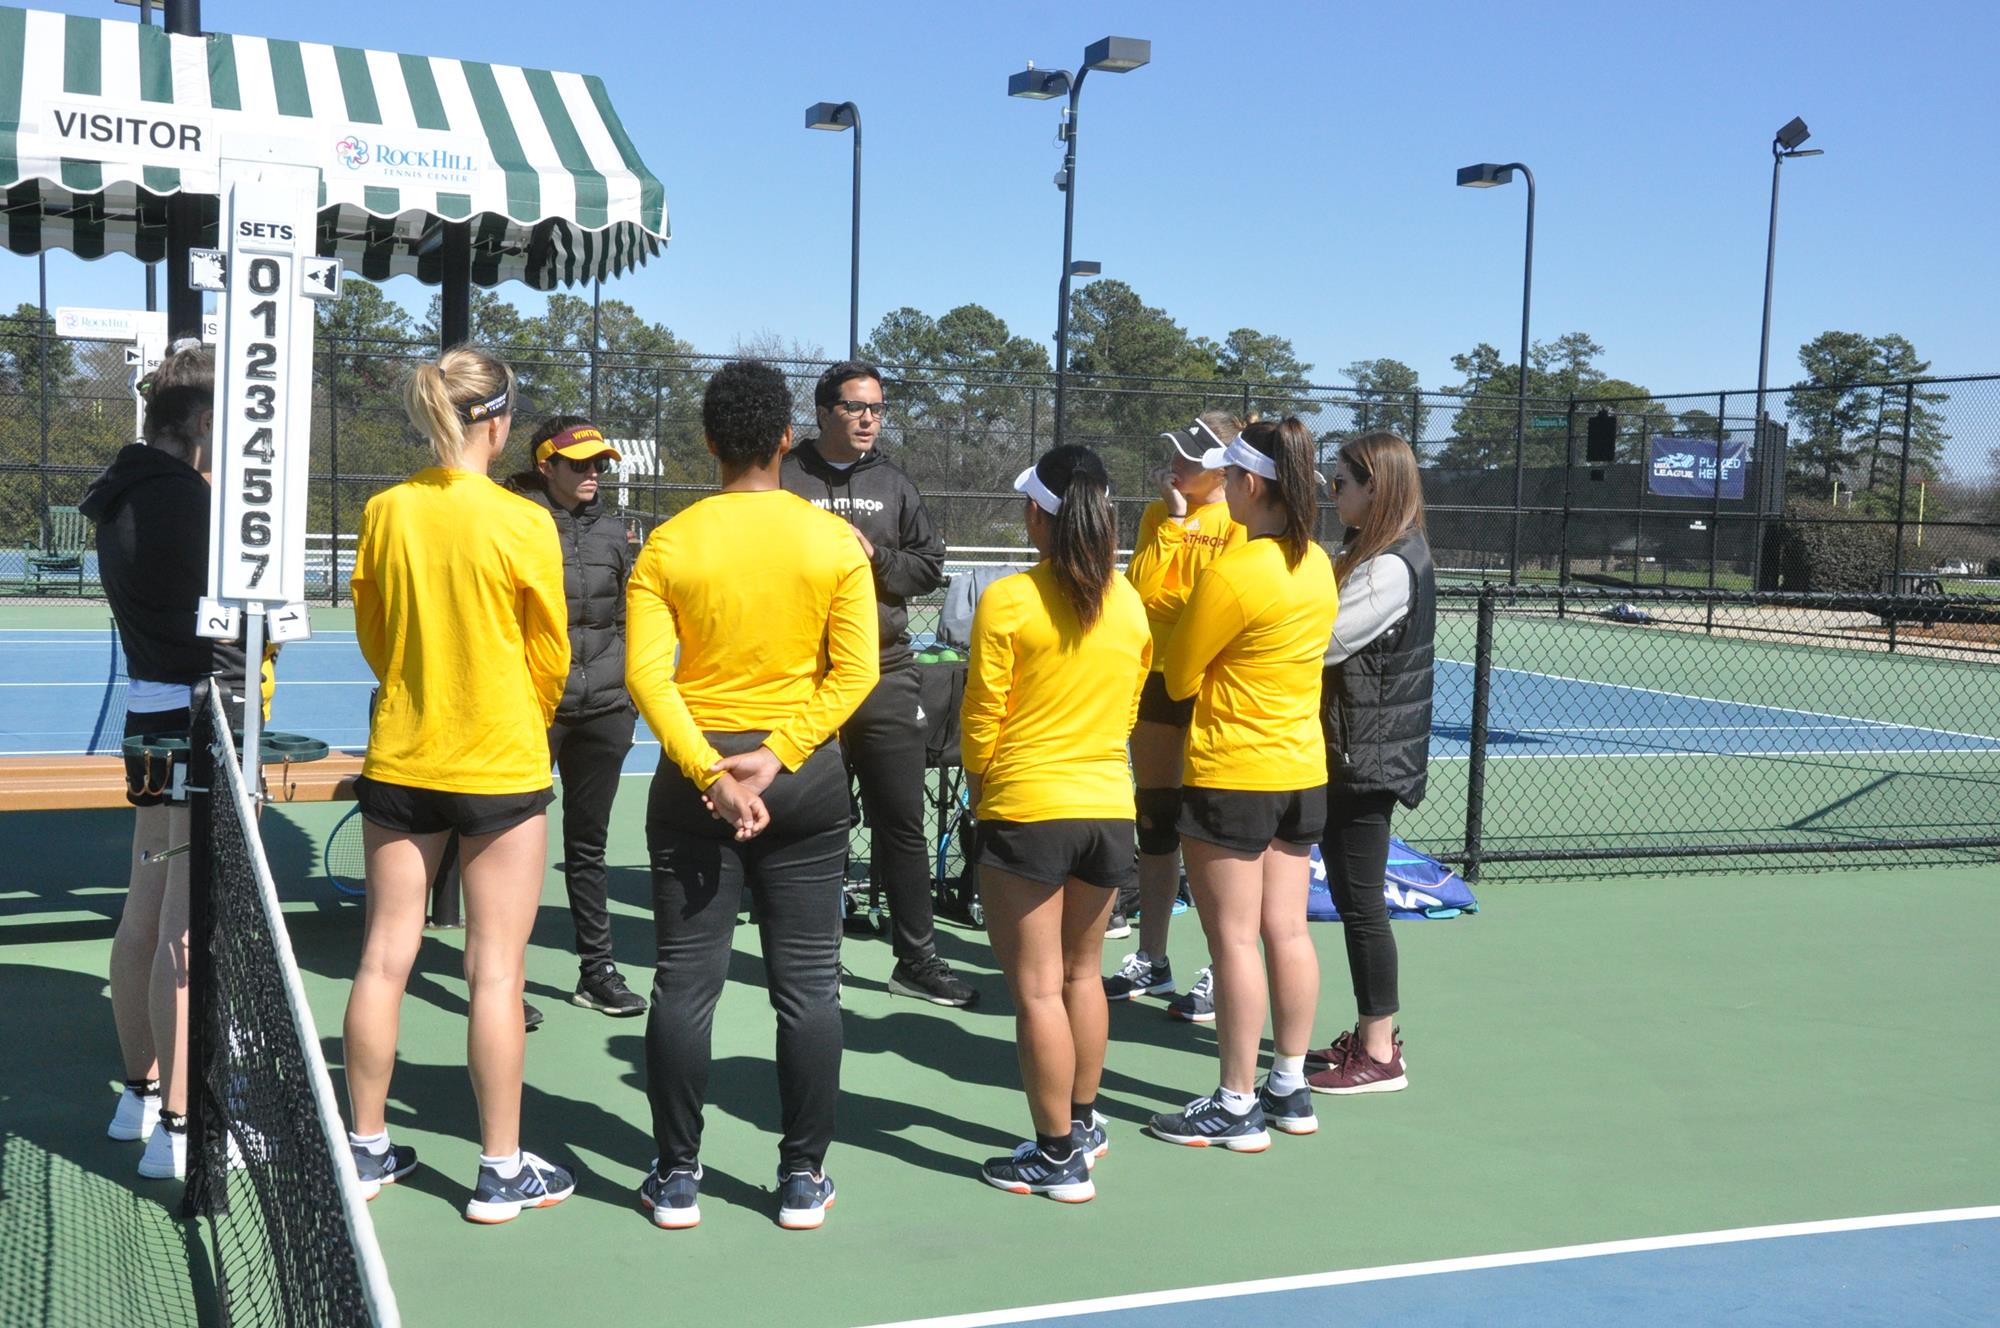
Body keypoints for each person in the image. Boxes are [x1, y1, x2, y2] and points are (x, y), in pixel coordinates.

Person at [628, 360, 878, 1232]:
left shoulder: (669, 543)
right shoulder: (834, 543)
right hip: (803, 784)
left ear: (709, 441)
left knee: (684, 987)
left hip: (697, 783)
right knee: (809, 989)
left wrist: (711, 770)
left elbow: (647, 679)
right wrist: (775, 758)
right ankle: (802, 1178)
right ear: (785, 438)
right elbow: (858, 673)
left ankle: (677, 1176)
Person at [342, 347, 575, 1224]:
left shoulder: (386, 511)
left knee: (383, 953)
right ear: (498, 419)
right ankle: (500, 1170)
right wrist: (519, 714)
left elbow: (374, 628)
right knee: (497, 974)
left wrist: (416, 688)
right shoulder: (523, 522)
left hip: (403, 756)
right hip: (499, 764)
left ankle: (366, 1148)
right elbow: (550, 652)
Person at [81, 344, 255, 1181]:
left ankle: (138, 1098)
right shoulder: (189, 502)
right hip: (193, 720)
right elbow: (235, 633)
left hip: (152, 717)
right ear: (205, 422)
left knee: (145, 902)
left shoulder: (126, 489)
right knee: (183, 925)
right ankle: (182, 1130)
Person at [963, 447, 1151, 1203]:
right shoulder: (1131, 602)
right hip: (1109, 811)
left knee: (1038, 990)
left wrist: (984, 791)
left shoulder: (1008, 600)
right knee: (1081, 976)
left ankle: (1055, 1157)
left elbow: (982, 720)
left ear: (1039, 514)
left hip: (1029, 809)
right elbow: (1131, 707)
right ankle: (1084, 1124)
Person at [1145, 419, 1339, 1152]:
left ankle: (1235, 1103)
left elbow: (1181, 673)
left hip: (1233, 774)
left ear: (1252, 485)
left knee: (1233, 940)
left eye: (1228, 477)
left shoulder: (1234, 573)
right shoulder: (1319, 563)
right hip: (1301, 773)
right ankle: (1288, 1085)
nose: (1220, 486)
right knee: (1285, 930)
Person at [779, 361, 974, 1007]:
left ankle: (915, 960)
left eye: (878, 409)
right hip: (808, 676)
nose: (870, 418)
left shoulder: (894, 482)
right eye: (857, 407)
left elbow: (928, 568)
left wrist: (875, 557)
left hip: (886, 671)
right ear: (824, 410)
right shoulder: (785, 477)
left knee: (902, 822)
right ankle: (816, 960)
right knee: (815, 822)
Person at [1104, 412, 1246, 1015]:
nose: (1177, 466)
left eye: (1192, 458)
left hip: (1211, 685)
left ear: (1225, 467)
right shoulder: (1160, 512)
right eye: (1176, 455)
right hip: (1155, 683)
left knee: (1209, 832)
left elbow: (1210, 601)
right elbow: (1138, 590)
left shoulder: (1241, 523)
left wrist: (1174, 598)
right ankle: (1152, 960)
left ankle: (1221, 969)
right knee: (1156, 822)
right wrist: (1177, 523)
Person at [504, 416, 645, 1018]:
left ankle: (597, 971)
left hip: (606, 710)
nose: (594, 474)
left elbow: (627, 617)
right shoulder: (511, 523)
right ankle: (503, 981)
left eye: (599, 465)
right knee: (509, 845)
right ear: (546, 466)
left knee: (588, 845)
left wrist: (629, 694)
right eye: (580, 464)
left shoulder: (615, 532)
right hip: (533, 710)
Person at [1305, 432, 1433, 1095]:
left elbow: (1319, 642)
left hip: (1366, 756)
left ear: (1376, 488)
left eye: (1342, 484)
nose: (1333, 494)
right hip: (1358, 748)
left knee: (1362, 906)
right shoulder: (1373, 552)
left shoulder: (1388, 567)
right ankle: (1372, 1035)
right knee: (1359, 902)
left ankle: (1380, 1052)